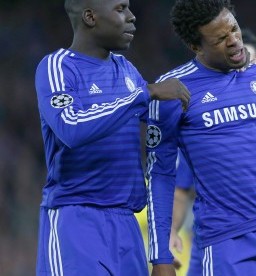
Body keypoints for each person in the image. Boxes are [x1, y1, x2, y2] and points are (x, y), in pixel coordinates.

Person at [146, 0, 256, 275]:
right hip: (226, 244)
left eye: (234, 29)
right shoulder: (173, 90)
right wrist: (160, 254)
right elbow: (160, 175)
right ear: (196, 47)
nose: (234, 41)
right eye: (221, 39)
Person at [34, 0, 190, 275]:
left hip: (126, 225)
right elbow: (71, 127)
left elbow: (160, 128)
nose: (131, 17)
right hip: (77, 220)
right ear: (90, 17)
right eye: (121, 9)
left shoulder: (126, 70)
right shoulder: (57, 67)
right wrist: (146, 93)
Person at [168, 27, 256, 275]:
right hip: (212, 245)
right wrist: (170, 233)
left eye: (249, 63)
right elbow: (182, 190)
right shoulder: (204, 133)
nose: (241, 71)